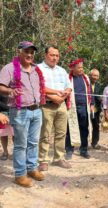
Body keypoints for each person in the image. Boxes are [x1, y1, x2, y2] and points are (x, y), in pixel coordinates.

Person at [0, 41, 45, 187]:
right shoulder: (9, 68)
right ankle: (20, 174)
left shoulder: (36, 69)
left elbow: (40, 87)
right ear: (19, 51)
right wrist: (10, 91)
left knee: (33, 142)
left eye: (32, 52)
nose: (30, 55)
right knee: (21, 144)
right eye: (26, 51)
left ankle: (31, 168)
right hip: (20, 111)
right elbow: (1, 86)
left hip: (36, 110)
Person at [38, 46, 72, 171]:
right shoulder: (38, 69)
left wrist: (64, 95)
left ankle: (58, 158)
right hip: (46, 105)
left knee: (61, 133)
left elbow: (68, 86)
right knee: (45, 134)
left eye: (57, 55)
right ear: (45, 55)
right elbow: (38, 87)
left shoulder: (62, 70)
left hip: (61, 105)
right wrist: (53, 97)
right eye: (52, 55)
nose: (55, 58)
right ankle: (43, 160)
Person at [65, 59, 94, 159]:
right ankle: (69, 150)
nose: (81, 69)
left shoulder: (86, 78)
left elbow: (90, 92)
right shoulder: (68, 78)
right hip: (71, 107)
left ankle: (84, 150)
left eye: (82, 67)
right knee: (70, 129)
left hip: (84, 106)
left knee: (84, 128)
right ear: (73, 68)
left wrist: (92, 104)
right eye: (79, 67)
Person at [89, 69, 102, 150]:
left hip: (96, 110)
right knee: (84, 126)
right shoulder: (86, 83)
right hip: (86, 109)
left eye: (97, 76)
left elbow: (99, 96)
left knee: (96, 126)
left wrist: (102, 99)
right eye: (94, 75)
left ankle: (95, 143)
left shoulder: (99, 86)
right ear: (90, 75)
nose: (95, 77)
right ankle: (82, 144)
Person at [0, 95, 14, 160]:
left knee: (15, 133)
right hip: (2, 112)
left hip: (14, 110)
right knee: (3, 134)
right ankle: (5, 152)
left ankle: (16, 152)